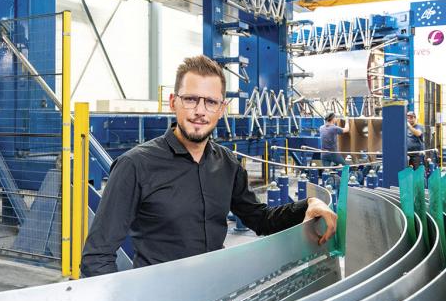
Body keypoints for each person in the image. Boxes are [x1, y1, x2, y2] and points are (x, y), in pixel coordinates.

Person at [80, 55, 337, 277]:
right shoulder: (135, 165)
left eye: (211, 102)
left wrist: (308, 205)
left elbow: (261, 219)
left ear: (222, 108)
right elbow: (97, 256)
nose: (200, 111)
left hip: (215, 300)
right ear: (173, 102)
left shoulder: (228, 164)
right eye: (191, 99)